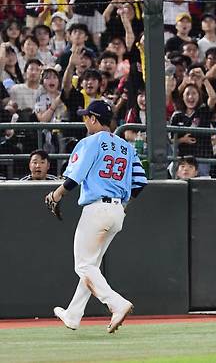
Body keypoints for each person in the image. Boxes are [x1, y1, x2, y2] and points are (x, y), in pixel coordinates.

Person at [47, 100, 147, 333]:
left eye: (86, 117)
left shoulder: (91, 142)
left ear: (93, 119)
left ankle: (117, 304)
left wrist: (56, 195)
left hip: (96, 209)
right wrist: (123, 206)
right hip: (116, 211)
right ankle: (73, 315)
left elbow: (75, 178)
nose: (84, 121)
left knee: (83, 266)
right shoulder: (126, 146)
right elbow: (141, 182)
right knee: (90, 266)